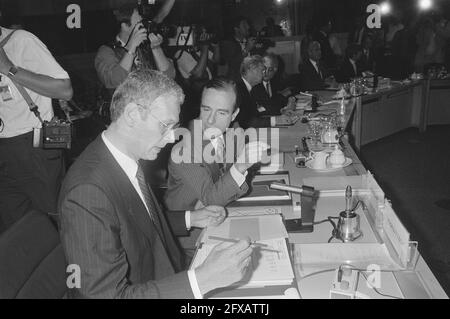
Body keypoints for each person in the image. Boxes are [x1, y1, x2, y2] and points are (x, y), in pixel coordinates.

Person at [59, 69, 254, 299]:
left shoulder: (124, 160)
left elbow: (136, 223)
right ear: (132, 115)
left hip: (169, 274)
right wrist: (201, 280)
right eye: (165, 125)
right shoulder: (86, 192)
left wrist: (190, 218)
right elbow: (103, 296)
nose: (172, 137)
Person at [0, 24, 73, 233]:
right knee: (17, 229)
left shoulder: (21, 40)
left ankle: (70, 265)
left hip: (33, 145)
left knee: (53, 220)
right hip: (5, 150)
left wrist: (9, 68)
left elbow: (65, 90)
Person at [165, 77, 270, 211]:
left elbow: (236, 186)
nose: (210, 120)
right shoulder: (185, 150)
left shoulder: (233, 134)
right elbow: (211, 200)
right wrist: (240, 166)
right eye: (206, 109)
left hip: (221, 212)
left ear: (234, 115)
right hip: (191, 227)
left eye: (221, 112)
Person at [95, 3, 176, 122]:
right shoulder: (106, 51)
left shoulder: (145, 47)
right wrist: (131, 48)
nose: (143, 26)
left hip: (151, 117)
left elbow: (169, 76)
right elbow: (114, 81)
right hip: (122, 120)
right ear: (125, 26)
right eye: (139, 23)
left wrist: (156, 48)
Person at [234, 55, 296, 129]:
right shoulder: (238, 89)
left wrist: (281, 112)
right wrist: (275, 120)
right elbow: (245, 121)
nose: (264, 74)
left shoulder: (248, 88)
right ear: (252, 69)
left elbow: (257, 112)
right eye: (262, 70)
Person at [220, 16, 256, 82]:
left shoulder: (250, 41)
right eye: (244, 25)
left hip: (252, 79)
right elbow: (232, 64)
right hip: (237, 81)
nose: (248, 27)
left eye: (247, 25)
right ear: (236, 29)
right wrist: (247, 49)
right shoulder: (227, 43)